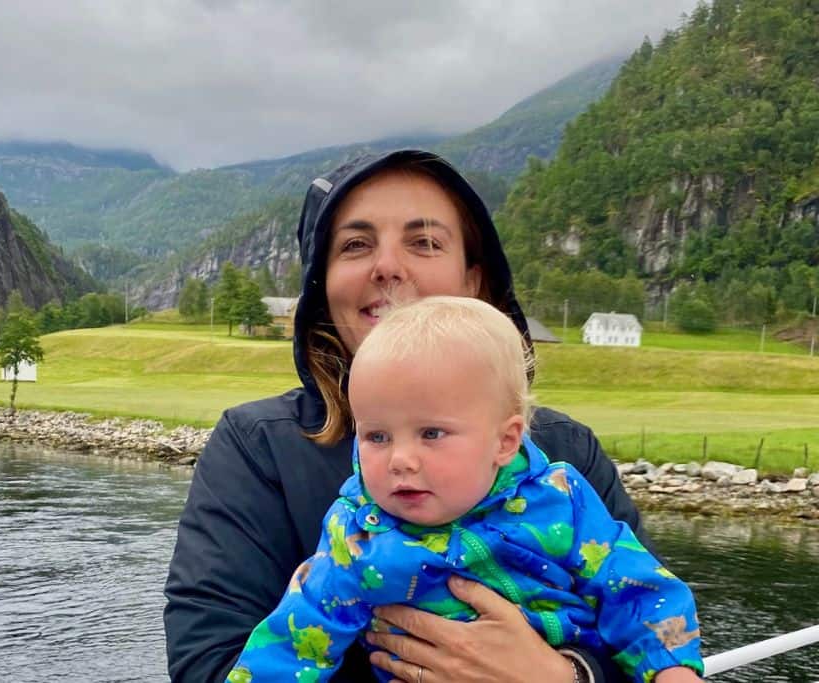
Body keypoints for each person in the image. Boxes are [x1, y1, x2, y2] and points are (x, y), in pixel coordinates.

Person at [165, 150, 657, 682]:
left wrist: (567, 676)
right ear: (321, 285)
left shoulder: (567, 452)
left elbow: (644, 616)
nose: (388, 267)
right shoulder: (258, 448)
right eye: (355, 244)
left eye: (424, 242)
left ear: (473, 280)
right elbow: (207, 664)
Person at [225, 296, 704, 683]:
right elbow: (299, 634)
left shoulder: (561, 501)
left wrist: (673, 668)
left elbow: (637, 586)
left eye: (431, 433)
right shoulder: (357, 537)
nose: (400, 459)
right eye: (377, 436)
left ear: (505, 440)